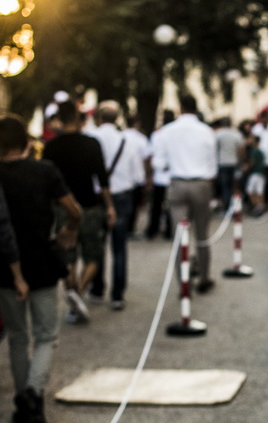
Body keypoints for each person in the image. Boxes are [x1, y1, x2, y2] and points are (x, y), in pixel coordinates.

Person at [0, 114, 82, 423]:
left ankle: (24, 399)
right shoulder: (44, 171)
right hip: (44, 261)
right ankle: (35, 393)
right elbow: (73, 209)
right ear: (26, 142)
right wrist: (69, 230)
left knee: (18, 337)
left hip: (6, 267)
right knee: (47, 334)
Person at [42, 99, 117, 323]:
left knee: (68, 256)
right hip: (90, 206)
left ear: (58, 120)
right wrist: (110, 206)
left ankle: (74, 295)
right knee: (94, 255)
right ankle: (81, 292)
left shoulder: (51, 147)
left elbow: (46, 183)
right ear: (78, 117)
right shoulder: (91, 144)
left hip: (63, 208)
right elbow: (102, 179)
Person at [152, 93, 218, 292]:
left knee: (179, 236)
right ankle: (204, 277)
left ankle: (183, 283)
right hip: (201, 184)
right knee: (202, 235)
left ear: (181, 108)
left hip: (178, 184)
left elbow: (158, 163)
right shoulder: (206, 131)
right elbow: (213, 166)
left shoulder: (168, 131)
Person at [93, 100, 147, 310]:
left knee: (98, 246)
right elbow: (138, 177)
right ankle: (117, 295)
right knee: (119, 247)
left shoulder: (92, 137)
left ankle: (97, 288)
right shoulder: (128, 141)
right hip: (123, 196)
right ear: (117, 118)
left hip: (97, 197)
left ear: (99, 117)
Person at [146, 109, 175, 240]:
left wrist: (149, 175)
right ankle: (169, 230)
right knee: (170, 205)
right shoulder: (175, 134)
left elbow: (152, 155)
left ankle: (153, 229)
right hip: (172, 175)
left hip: (160, 174)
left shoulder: (157, 135)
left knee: (156, 205)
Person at [212, 117, 244, 211]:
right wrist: (240, 161)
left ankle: (227, 208)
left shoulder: (218, 134)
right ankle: (235, 207)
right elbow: (241, 149)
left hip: (222, 163)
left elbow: (213, 149)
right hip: (234, 163)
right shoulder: (236, 134)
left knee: (225, 186)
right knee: (234, 186)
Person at [243, 134, 266, 215]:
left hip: (255, 173)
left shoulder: (254, 151)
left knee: (250, 190)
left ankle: (257, 206)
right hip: (261, 173)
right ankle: (260, 206)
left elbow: (251, 162)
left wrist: (246, 169)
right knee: (259, 191)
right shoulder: (261, 151)